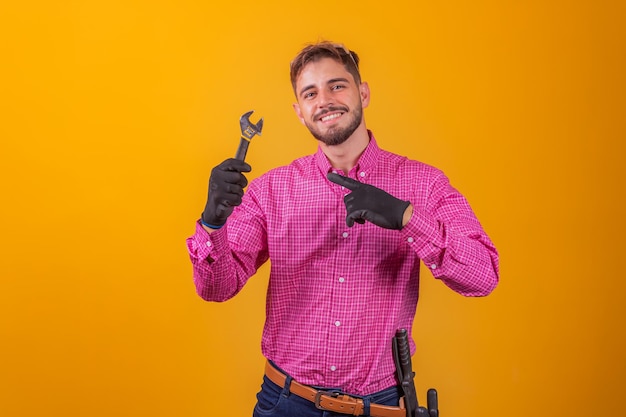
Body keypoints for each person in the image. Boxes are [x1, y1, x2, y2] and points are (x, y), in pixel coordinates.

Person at [186, 41, 499, 417]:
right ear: (299, 112)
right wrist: (212, 223)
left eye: (338, 85)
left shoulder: (423, 183)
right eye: (310, 93)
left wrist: (406, 218)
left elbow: (484, 275)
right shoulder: (271, 190)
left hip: (378, 406)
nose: (325, 100)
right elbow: (217, 288)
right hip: (286, 402)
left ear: (363, 92)